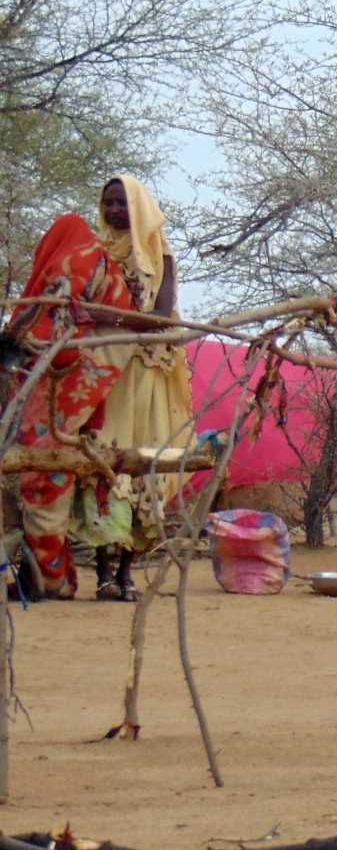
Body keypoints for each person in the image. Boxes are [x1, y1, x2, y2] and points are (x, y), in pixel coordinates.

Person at [5, 213, 135, 598]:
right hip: (88, 370)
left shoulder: (74, 258)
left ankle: (52, 579)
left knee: (43, 472)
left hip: (68, 375)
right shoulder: (102, 262)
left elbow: (57, 322)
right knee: (47, 472)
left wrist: (21, 342)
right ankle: (49, 576)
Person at [87, 176, 195, 601]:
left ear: (140, 209)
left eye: (122, 204)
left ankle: (128, 571)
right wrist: (121, 320)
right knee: (103, 460)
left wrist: (112, 319)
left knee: (142, 459)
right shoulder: (95, 255)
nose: (114, 211)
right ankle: (102, 573)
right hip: (105, 371)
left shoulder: (159, 254)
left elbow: (163, 314)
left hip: (147, 372)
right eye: (108, 203)